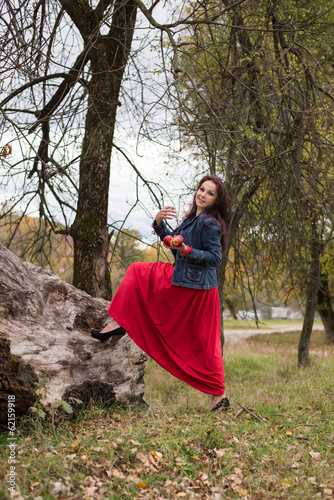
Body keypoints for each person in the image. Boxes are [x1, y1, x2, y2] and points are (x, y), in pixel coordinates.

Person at [91, 175, 229, 412]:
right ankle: (118, 322)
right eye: (201, 189)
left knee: (205, 343)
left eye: (210, 193)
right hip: (186, 280)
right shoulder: (193, 218)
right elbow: (172, 240)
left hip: (197, 289)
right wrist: (158, 222)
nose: (202, 194)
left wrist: (187, 250)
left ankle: (218, 397)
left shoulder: (210, 223)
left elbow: (215, 258)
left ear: (216, 200)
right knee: (138, 272)